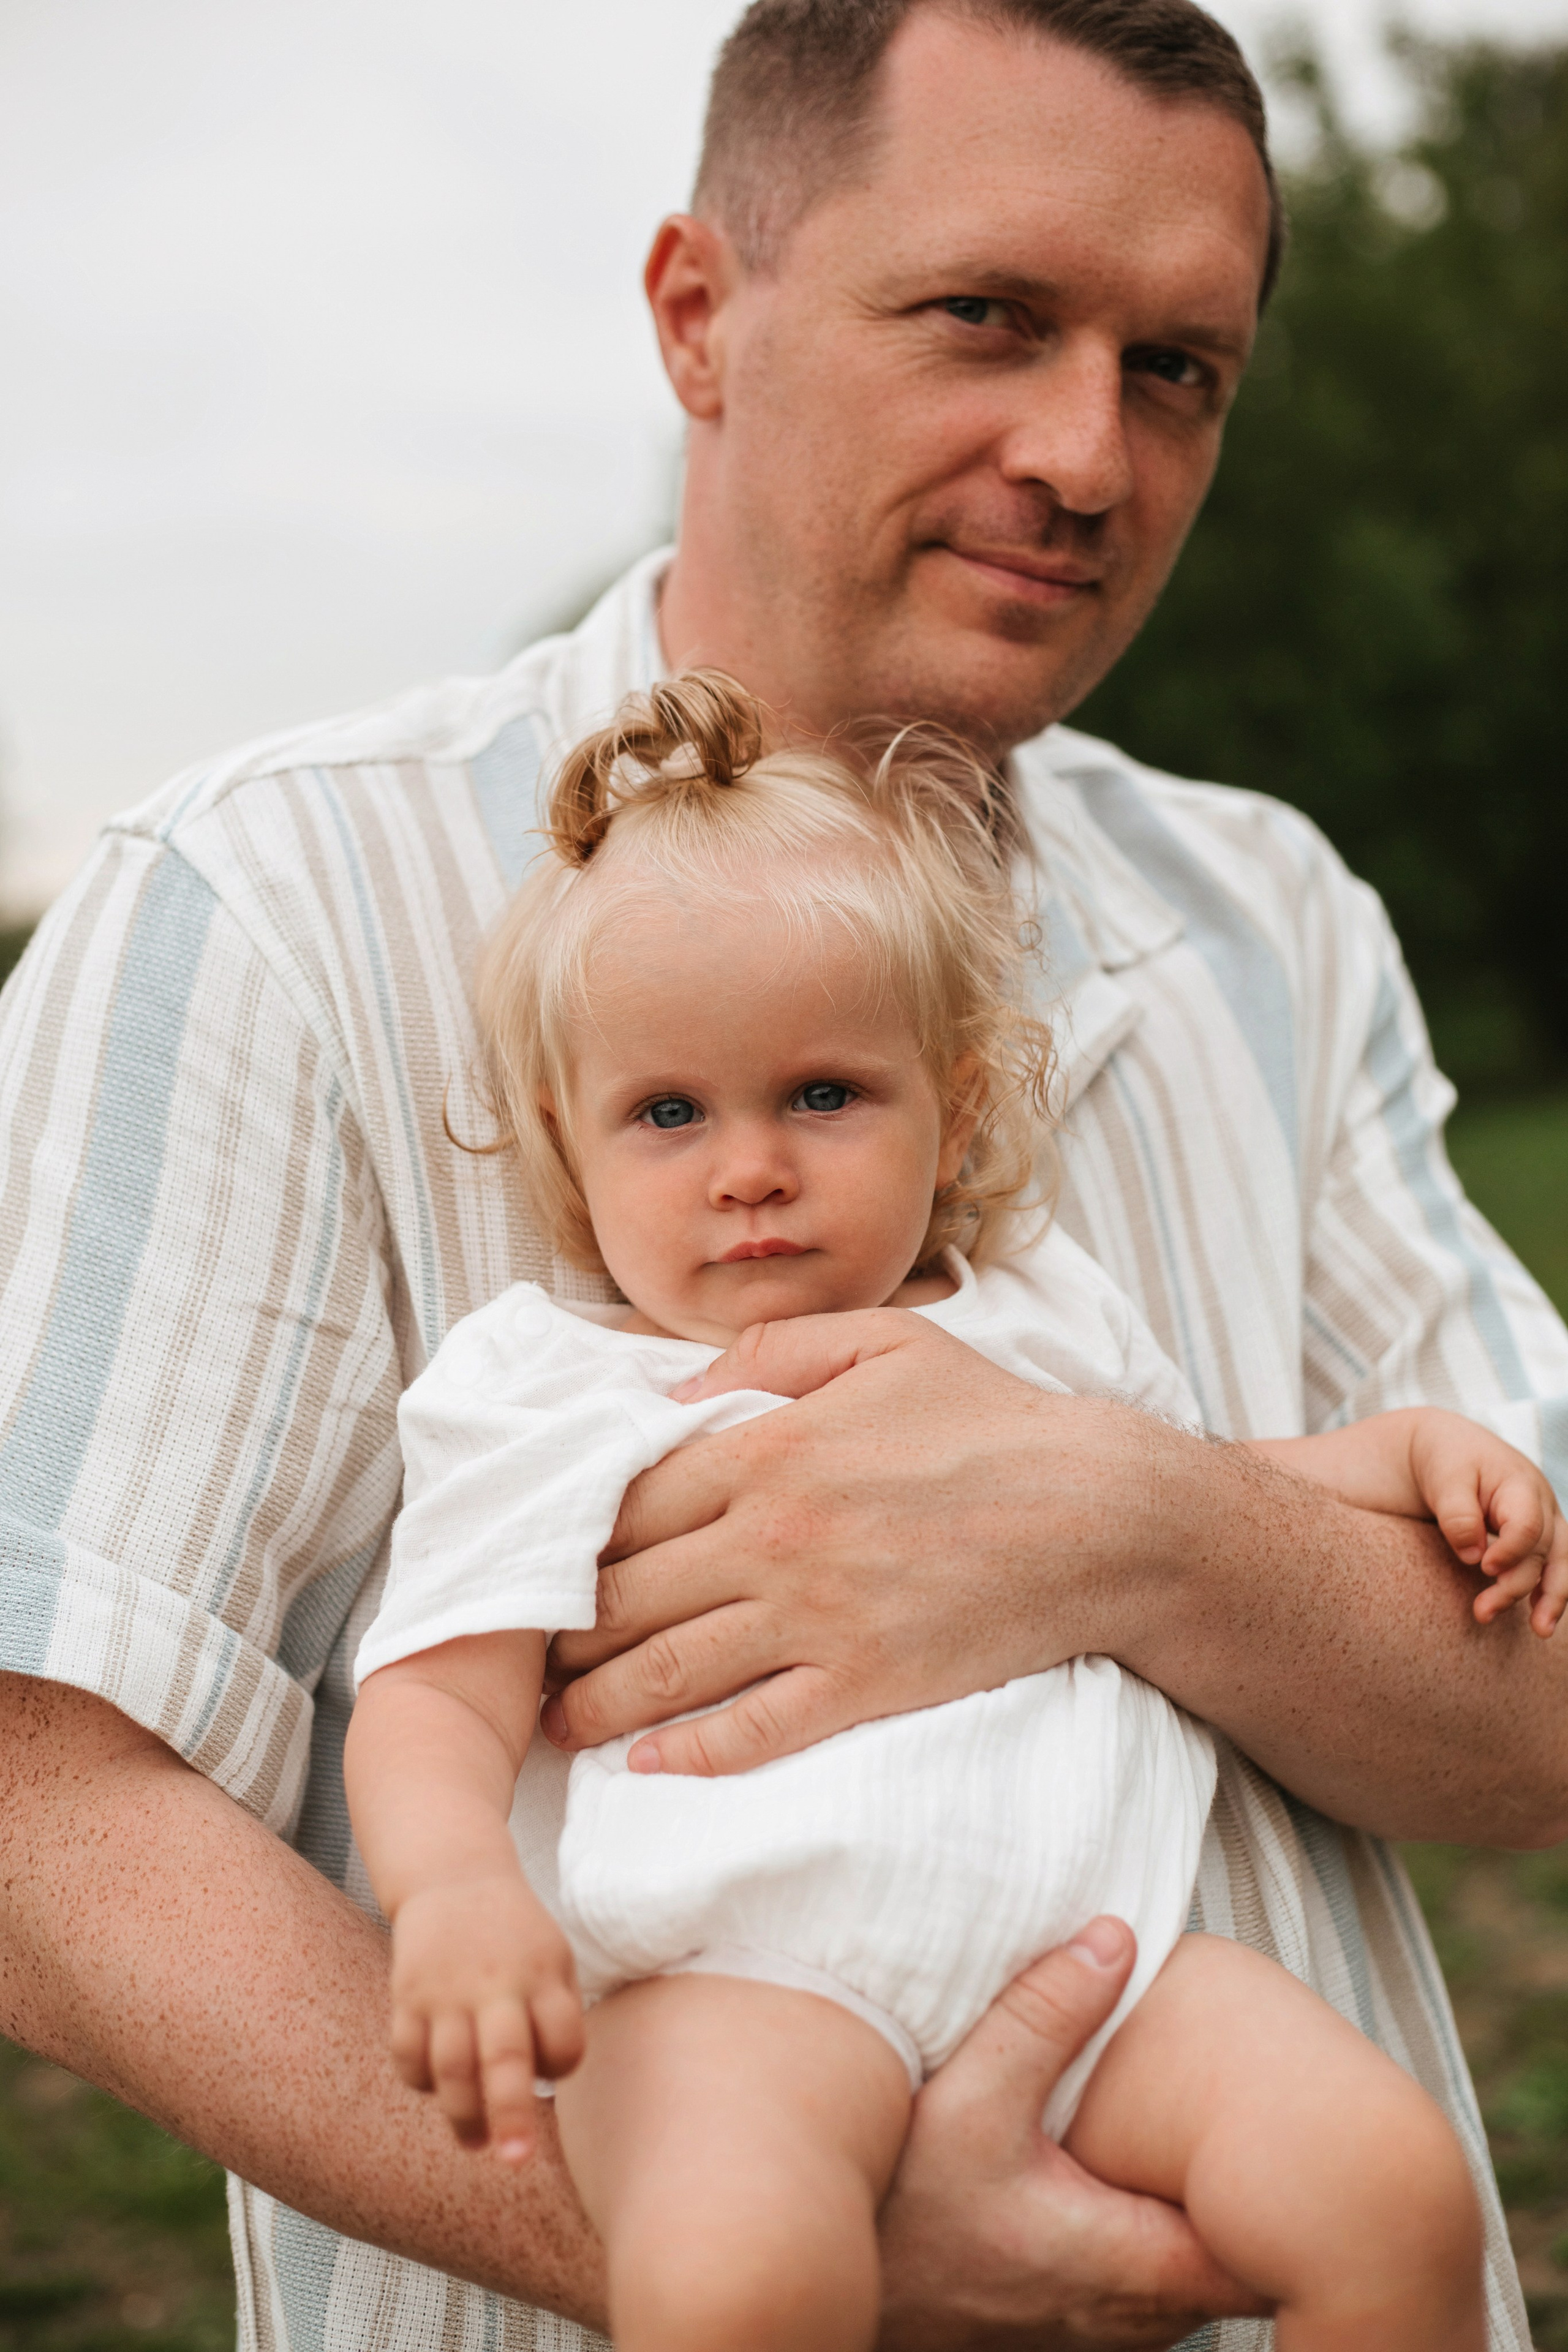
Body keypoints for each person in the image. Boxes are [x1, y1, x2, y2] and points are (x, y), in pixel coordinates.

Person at [1, 2, 1566, 2348]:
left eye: (1180, 371)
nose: (1084, 452)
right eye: (989, 319)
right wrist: (728, 2247)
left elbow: (1543, 1706)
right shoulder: (272, 897)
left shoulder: (1277, 922)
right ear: (698, 316)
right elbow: (40, 1813)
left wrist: (1134, 1526)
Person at [346, 669, 1567, 2352]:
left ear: (961, 1104)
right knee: (736, 2278)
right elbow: (434, 1688)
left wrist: (1400, 1456)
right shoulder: (546, 1387)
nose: (750, 1166)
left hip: (1092, 1963)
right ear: (570, 1144)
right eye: (671, 1113)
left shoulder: (1034, 1314)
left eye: (826, 1095)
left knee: (1394, 2192)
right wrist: (453, 1891)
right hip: (736, 1979)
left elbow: (1182, 1498)